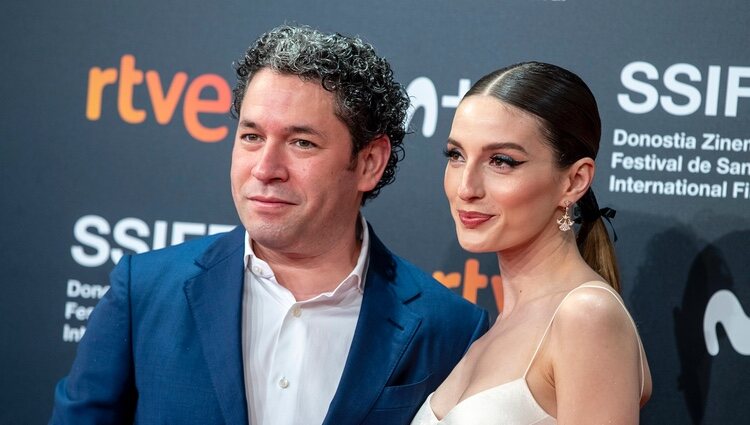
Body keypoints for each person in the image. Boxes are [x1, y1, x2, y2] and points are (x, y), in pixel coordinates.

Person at [51, 25, 489, 425]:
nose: (265, 168)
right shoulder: (144, 290)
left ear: (369, 162)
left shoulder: (448, 328)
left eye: (301, 142)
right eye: (252, 136)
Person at [411, 62, 652, 425]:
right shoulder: (495, 329)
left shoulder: (586, 315)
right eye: (456, 156)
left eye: (501, 161)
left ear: (574, 181)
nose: (466, 188)